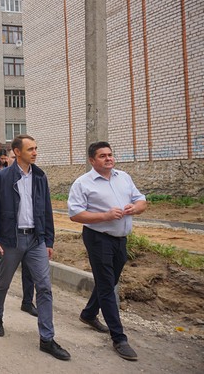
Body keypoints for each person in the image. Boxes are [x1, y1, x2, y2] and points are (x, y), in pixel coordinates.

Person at [0, 134, 71, 361]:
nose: (35, 152)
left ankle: (47, 339)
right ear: (17, 152)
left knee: (44, 287)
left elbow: (46, 210)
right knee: (2, 283)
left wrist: (49, 240)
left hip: (36, 240)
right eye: (30, 149)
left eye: (36, 148)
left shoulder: (40, 176)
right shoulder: (2, 177)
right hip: (10, 240)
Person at [68, 141, 147, 361]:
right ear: (92, 160)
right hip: (98, 238)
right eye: (102, 156)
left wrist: (135, 208)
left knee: (109, 281)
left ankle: (88, 313)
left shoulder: (124, 177)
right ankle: (119, 338)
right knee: (106, 286)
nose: (108, 158)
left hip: (120, 239)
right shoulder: (83, 183)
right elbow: (75, 214)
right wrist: (105, 215)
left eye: (110, 154)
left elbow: (141, 200)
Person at [0, 148, 37, 318]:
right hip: (7, 235)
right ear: (7, 159)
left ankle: (28, 301)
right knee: (1, 270)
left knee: (29, 272)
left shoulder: (34, 177)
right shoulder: (2, 178)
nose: (16, 160)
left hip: (30, 235)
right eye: (13, 157)